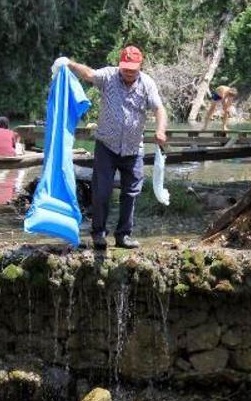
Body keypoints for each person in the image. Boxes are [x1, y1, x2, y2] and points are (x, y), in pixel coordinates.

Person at [55, 45, 168, 250]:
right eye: (126, 68)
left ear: (139, 66)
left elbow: (159, 109)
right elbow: (88, 74)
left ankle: (123, 235)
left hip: (133, 149)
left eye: (133, 69)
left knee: (131, 193)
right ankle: (98, 233)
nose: (129, 72)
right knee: (101, 192)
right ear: (120, 64)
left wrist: (160, 130)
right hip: (107, 146)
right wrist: (68, 63)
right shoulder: (108, 76)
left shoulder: (147, 83)